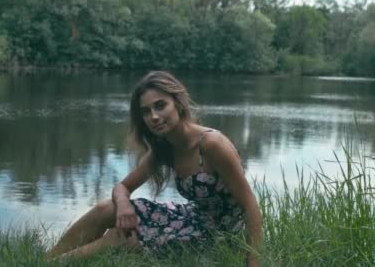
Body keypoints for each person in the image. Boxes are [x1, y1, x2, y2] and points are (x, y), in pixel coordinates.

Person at [47, 71, 262, 266]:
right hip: (192, 218)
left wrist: (252, 261)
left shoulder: (211, 144)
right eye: (146, 111)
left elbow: (250, 205)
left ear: (177, 103)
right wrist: (123, 205)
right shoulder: (165, 147)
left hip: (222, 234)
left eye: (160, 106)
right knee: (106, 209)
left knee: (124, 236)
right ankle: (46, 258)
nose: (154, 117)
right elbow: (123, 187)